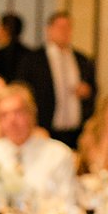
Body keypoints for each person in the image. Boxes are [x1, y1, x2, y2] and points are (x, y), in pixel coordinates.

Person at [0, 83, 78, 208]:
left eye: (18, 112)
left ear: (32, 113)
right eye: (4, 115)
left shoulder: (58, 154)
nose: (12, 120)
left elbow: (68, 203)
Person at [19, 9, 96, 149]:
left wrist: (87, 91)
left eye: (68, 27)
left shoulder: (82, 59)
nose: (64, 31)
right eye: (60, 27)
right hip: (46, 127)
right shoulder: (33, 60)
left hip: (75, 130)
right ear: (49, 29)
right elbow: (24, 92)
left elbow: (93, 89)